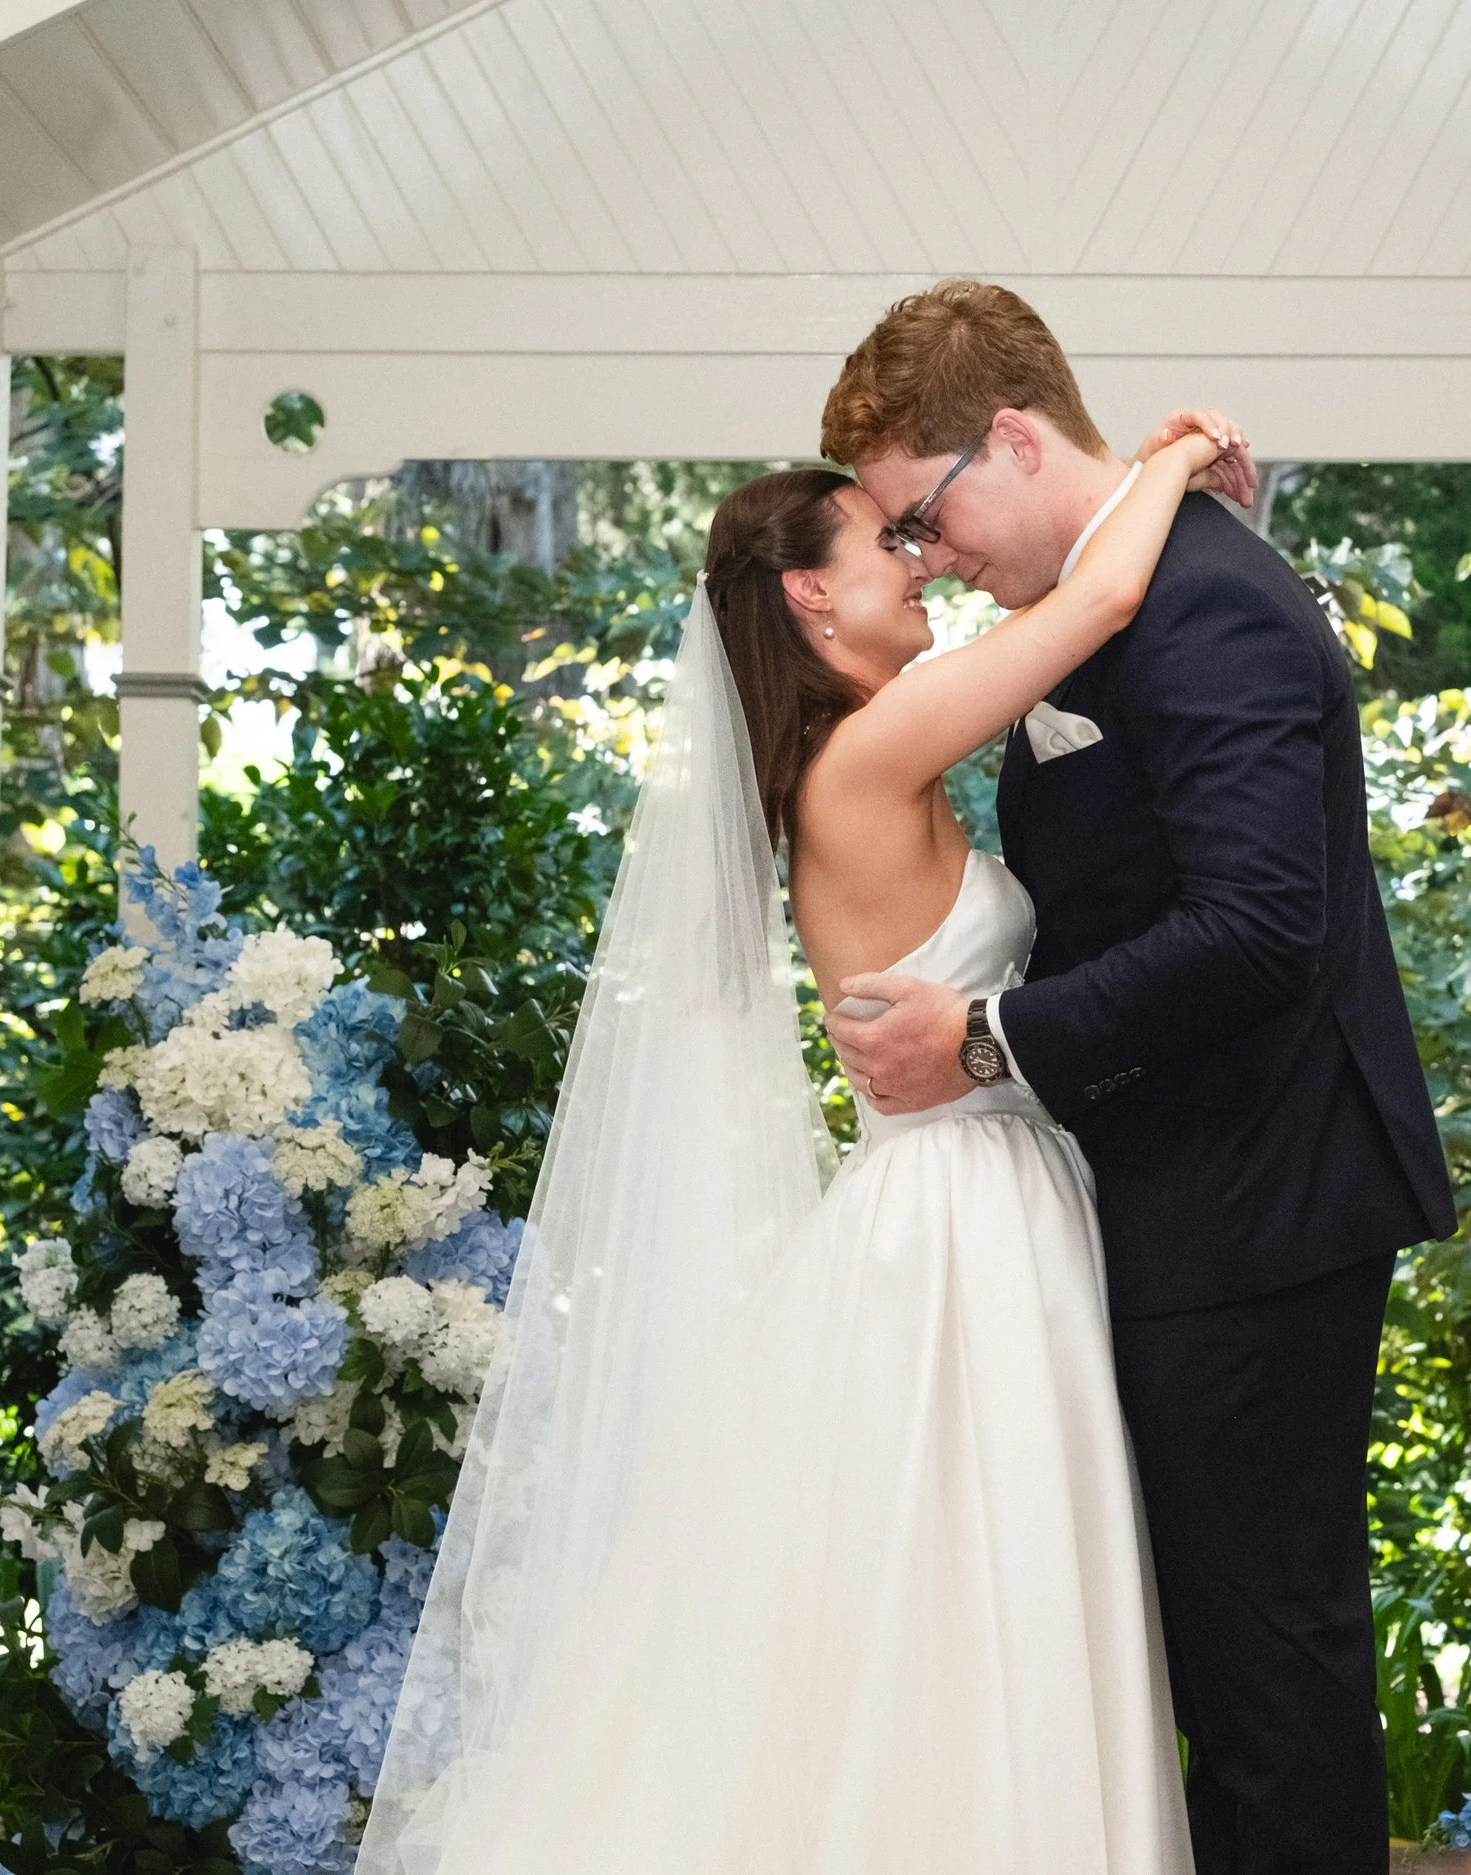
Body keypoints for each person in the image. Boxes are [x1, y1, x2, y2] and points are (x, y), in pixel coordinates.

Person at [356, 411, 1252, 1875]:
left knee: (968, 1588)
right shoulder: (866, 753)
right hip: (957, 1217)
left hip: (992, 1189)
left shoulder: (880, 755)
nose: (918, 565)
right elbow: (1095, 599)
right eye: (883, 543)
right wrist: (1169, 458)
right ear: (807, 595)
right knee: (975, 1586)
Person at [820, 281, 1456, 1875]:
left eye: (925, 511)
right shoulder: (1126, 590)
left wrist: (981, 1042)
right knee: (1216, 1649)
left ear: (1012, 436)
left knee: (1267, 1659)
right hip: (1184, 1191)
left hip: (1259, 1198)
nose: (930, 554)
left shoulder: (1206, 599)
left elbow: (1255, 926)